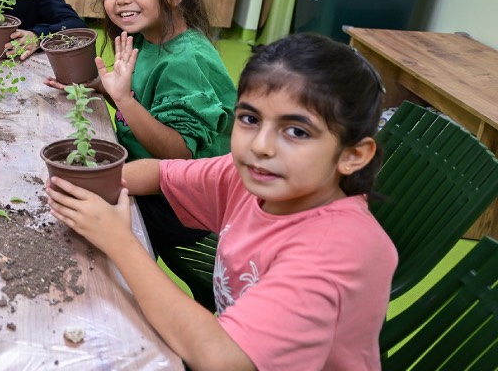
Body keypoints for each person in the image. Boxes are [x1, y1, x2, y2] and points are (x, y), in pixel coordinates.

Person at [46, 33, 396, 369]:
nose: (261, 146)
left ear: (352, 155)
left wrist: (119, 241)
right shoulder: (252, 177)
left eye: (297, 131)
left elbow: (222, 358)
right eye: (250, 119)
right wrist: (78, 184)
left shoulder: (337, 250)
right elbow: (159, 173)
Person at [47, 0, 237, 279]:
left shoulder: (184, 60)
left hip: (184, 206)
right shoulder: (149, 38)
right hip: (155, 180)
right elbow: (145, 103)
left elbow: (179, 151)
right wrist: (98, 87)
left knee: (80, 238)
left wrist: (122, 99)